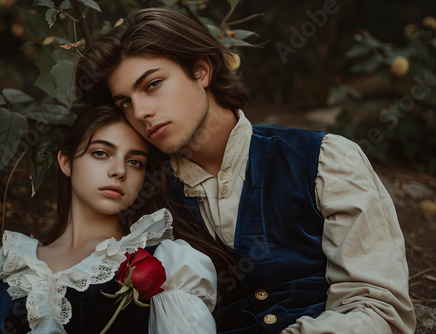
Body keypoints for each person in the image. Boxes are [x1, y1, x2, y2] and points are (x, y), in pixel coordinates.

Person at [74, 7, 417, 334]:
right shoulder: (144, 199)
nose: (141, 111)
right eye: (125, 102)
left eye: (152, 85)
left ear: (202, 70)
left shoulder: (321, 159)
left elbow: (379, 312)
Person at [0, 105, 230, 333]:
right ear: (66, 161)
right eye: (101, 153)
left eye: (135, 162)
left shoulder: (165, 263)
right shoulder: (0, 268)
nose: (119, 171)